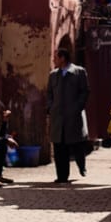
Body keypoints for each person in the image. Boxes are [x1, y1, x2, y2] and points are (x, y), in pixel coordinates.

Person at [46, 47, 90, 184]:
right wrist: (51, 107)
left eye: (56, 57)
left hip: (73, 116)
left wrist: (78, 107)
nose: (54, 60)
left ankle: (81, 166)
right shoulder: (53, 75)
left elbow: (85, 91)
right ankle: (62, 176)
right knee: (59, 147)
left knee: (77, 144)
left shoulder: (79, 72)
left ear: (62, 58)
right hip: (58, 117)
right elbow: (49, 93)